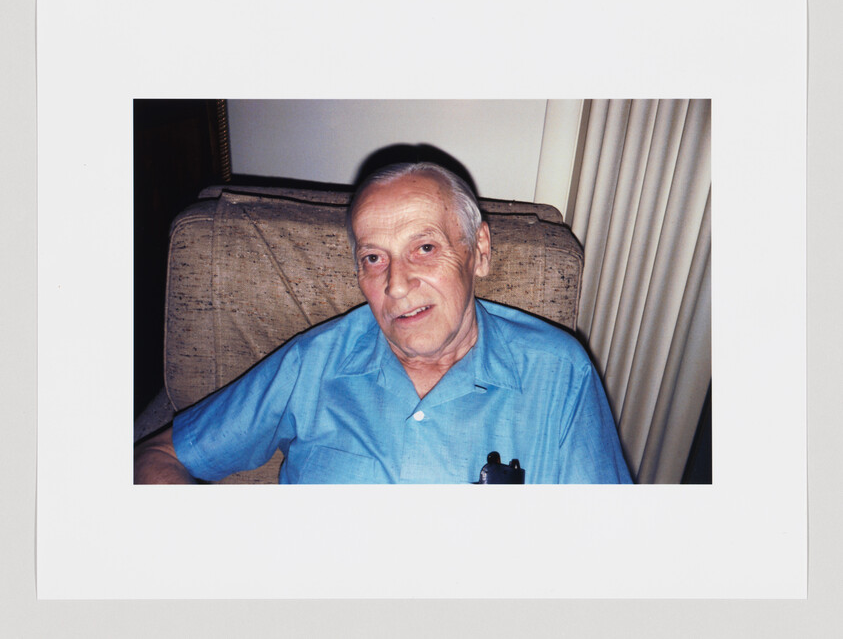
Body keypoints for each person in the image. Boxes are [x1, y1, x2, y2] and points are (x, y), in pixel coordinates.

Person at [134, 162, 632, 484]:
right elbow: (162, 457)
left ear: (478, 251)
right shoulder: (314, 364)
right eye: (374, 257)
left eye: (425, 248)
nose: (395, 285)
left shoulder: (558, 373)